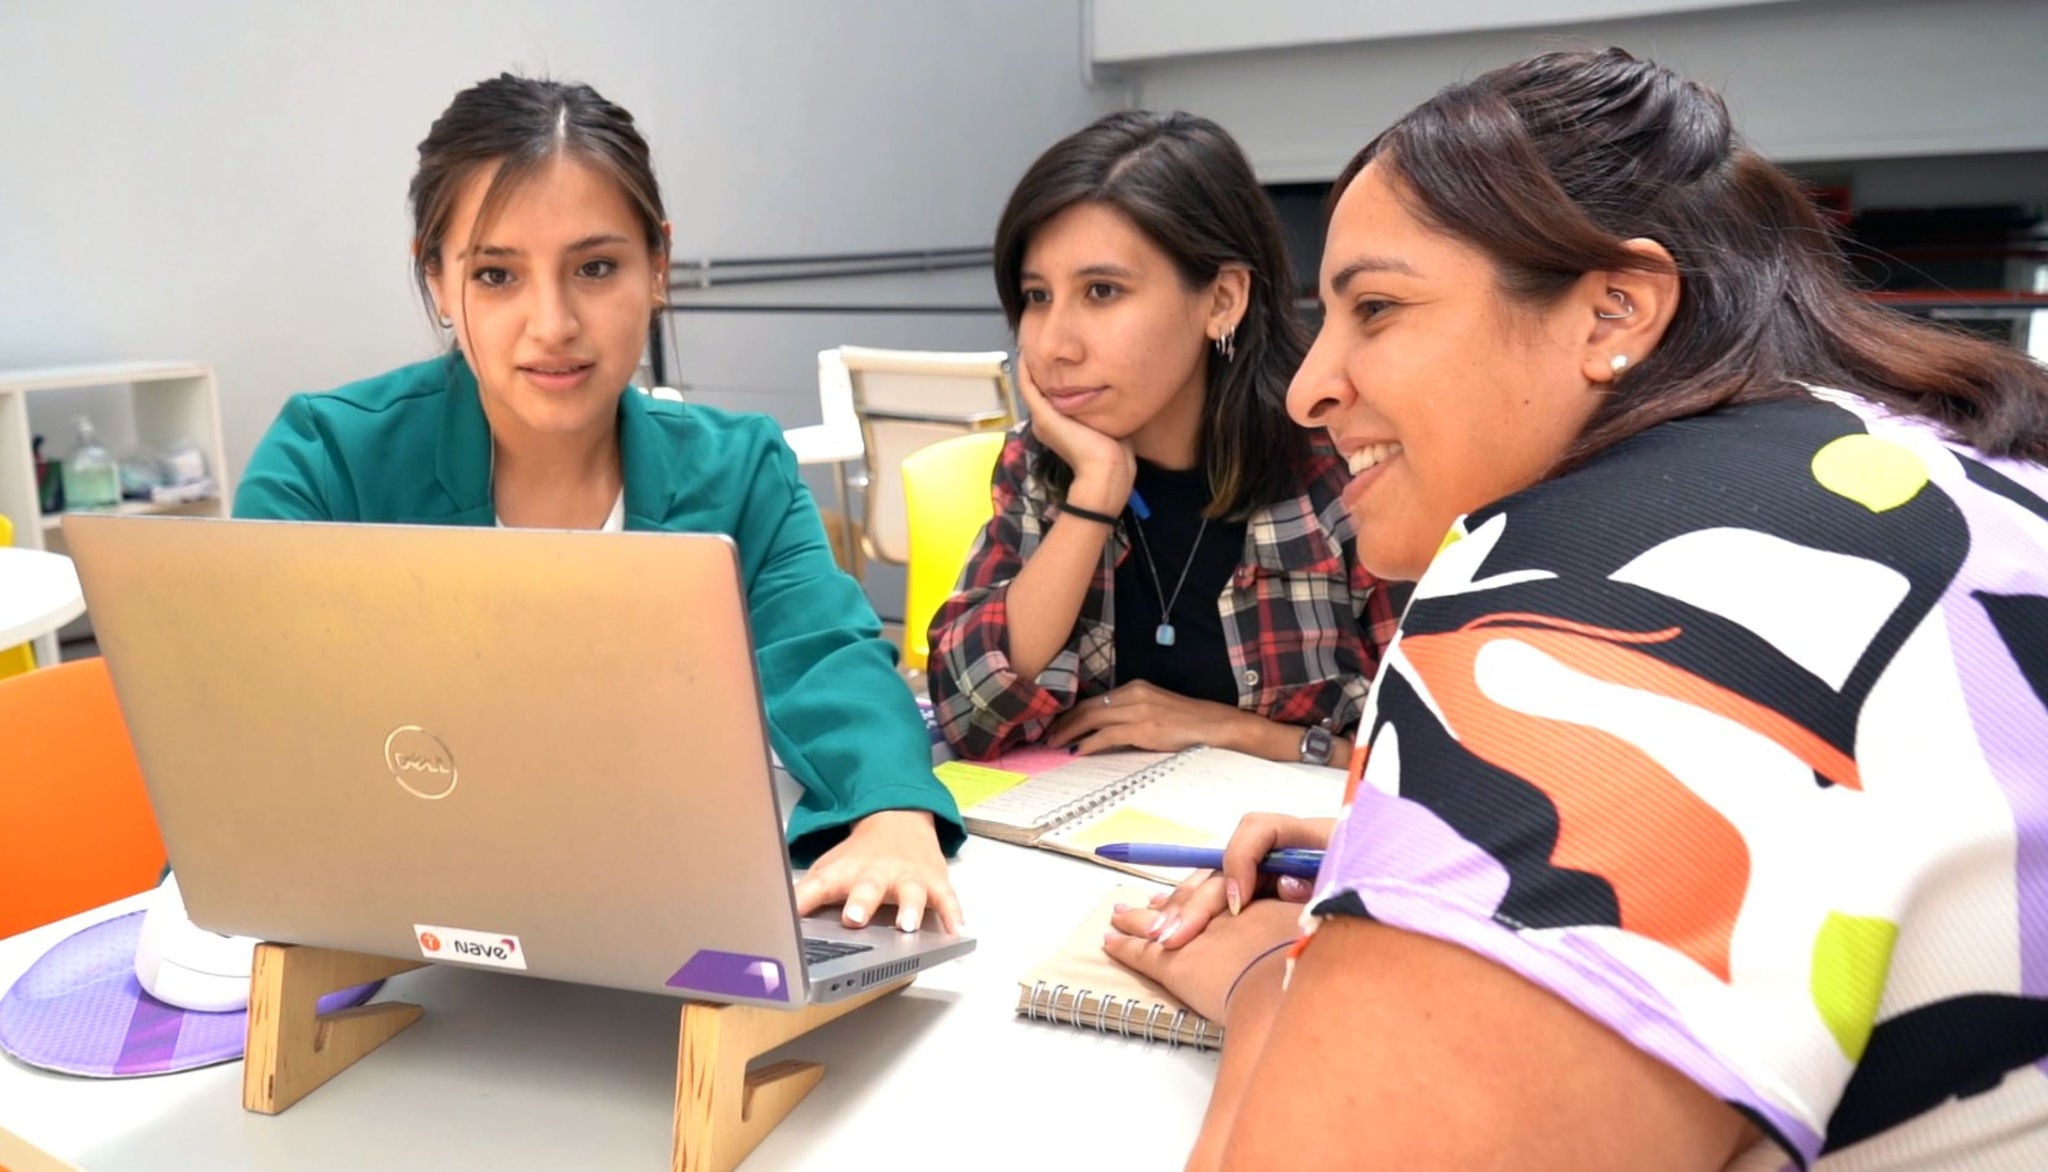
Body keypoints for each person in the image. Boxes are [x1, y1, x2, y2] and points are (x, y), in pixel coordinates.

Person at [1102, 48, 2048, 1170]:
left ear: (1614, 309)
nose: (1309, 385)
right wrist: (1436, 862)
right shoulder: (1960, 480)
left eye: (1376, 308)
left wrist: (1272, 969)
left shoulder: (1593, 591)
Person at [235, 74, 964, 934]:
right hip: (392, 943)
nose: (553, 322)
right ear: (436, 281)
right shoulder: (327, 463)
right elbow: (246, 736)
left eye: (595, 267)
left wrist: (891, 815)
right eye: (497, 274)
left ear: (657, 266)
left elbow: (830, 660)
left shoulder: (740, 473)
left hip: (660, 931)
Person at [927, 111, 1395, 769]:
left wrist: (1236, 730)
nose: (1054, 344)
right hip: (1090, 849)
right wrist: (1093, 496)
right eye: (1037, 296)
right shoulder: (1044, 464)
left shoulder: (1338, 462)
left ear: (1221, 301)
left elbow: (1443, 755)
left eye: (1101, 290)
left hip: (1296, 853)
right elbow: (965, 714)